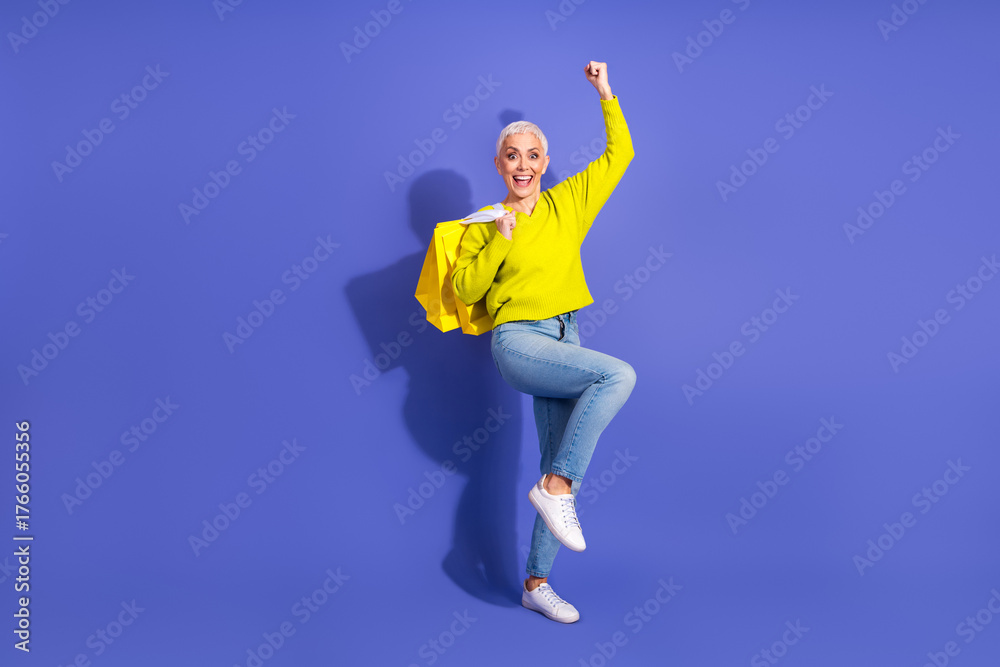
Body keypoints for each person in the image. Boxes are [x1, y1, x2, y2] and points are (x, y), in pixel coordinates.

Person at [450, 61, 636, 624]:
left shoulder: (566, 205)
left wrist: (605, 93)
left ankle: (536, 583)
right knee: (617, 375)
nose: (524, 165)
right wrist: (500, 239)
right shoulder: (485, 221)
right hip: (518, 343)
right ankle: (557, 488)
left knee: (555, 460)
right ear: (500, 165)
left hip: (565, 335)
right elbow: (464, 288)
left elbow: (619, 155)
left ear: (545, 163)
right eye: (513, 155)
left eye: (533, 156)